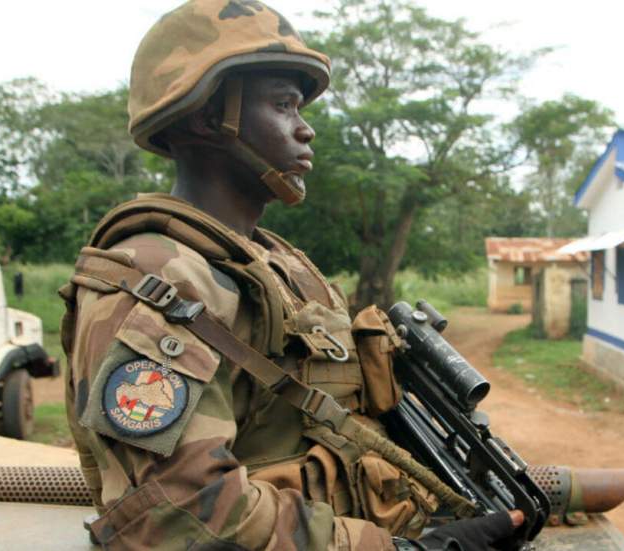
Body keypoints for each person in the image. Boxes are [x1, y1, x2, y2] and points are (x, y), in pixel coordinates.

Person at [60, 1, 521, 549]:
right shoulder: (156, 278)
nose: (306, 131)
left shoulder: (282, 264)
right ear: (210, 117)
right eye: (283, 105)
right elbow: (177, 511)